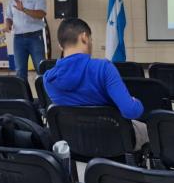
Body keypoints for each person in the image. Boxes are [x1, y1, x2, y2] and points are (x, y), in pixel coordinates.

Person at [43, 18, 148, 149]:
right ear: (84, 37)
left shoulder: (48, 78)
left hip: (75, 142)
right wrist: (135, 102)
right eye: (91, 39)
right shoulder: (103, 68)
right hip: (114, 140)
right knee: (148, 130)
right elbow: (131, 111)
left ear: (60, 45)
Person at [4, 0, 47, 81]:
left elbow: (41, 14)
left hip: (35, 37)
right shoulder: (13, 1)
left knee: (41, 69)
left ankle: (44, 97)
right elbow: (9, 17)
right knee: (20, 71)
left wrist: (23, 9)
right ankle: (24, 97)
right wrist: (8, 25)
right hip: (18, 39)